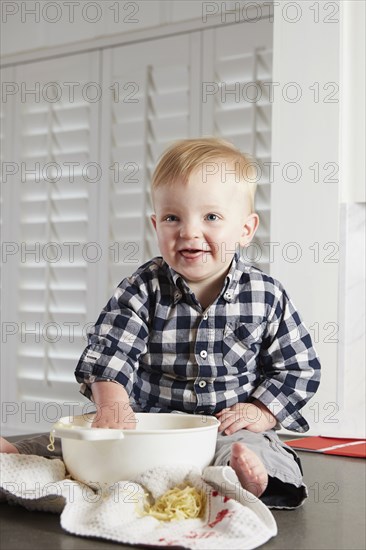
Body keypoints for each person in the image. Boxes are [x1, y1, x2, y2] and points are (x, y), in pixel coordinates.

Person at [1, 138, 320, 508]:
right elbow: (111, 348)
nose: (188, 232)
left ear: (245, 230)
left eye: (211, 217)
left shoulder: (267, 295)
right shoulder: (143, 287)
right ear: (156, 224)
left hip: (223, 431)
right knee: (80, 438)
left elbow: (298, 368)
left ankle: (247, 480)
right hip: (146, 427)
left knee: (254, 447)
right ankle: (18, 457)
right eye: (173, 218)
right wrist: (113, 404)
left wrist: (262, 411)